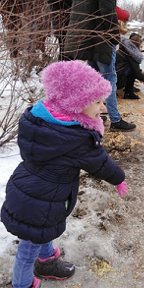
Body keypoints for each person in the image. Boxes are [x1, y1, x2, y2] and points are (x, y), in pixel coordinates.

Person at [0, 60, 128, 288]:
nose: (103, 107)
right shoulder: (76, 138)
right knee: (28, 249)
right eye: (97, 102)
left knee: (43, 228)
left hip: (30, 189)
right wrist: (118, 178)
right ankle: (23, 284)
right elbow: (100, 163)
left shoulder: (42, 119)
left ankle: (47, 260)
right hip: (38, 200)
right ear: (76, 103)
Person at [63, 0, 136, 131]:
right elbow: (107, 12)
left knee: (93, 79)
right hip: (102, 39)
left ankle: (93, 114)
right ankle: (115, 120)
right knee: (109, 80)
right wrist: (114, 37)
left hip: (85, 37)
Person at [116, 32, 144, 99]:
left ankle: (128, 92)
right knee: (132, 73)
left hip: (113, 78)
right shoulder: (132, 55)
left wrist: (141, 71)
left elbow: (130, 67)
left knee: (131, 71)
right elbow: (137, 74)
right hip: (116, 82)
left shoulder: (124, 49)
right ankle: (128, 93)